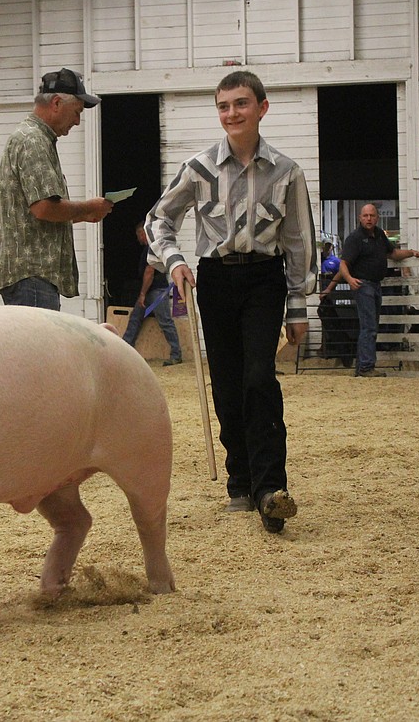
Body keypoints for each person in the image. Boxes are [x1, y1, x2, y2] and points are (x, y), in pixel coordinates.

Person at [145, 70, 317, 534]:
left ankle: (270, 489)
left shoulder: (288, 172)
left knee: (258, 377)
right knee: (225, 384)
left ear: (262, 108)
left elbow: (299, 241)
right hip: (215, 280)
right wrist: (175, 260)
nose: (232, 114)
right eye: (223, 106)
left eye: (241, 104)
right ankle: (240, 480)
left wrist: (299, 307)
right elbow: (158, 220)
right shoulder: (198, 168)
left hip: (265, 278)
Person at [0, 68, 113, 309]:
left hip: (29, 274)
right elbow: (44, 208)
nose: (77, 121)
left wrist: (83, 214)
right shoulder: (33, 140)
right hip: (32, 274)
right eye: (76, 112)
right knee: (39, 347)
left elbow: (32, 215)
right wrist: (88, 206)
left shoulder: (31, 138)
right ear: (56, 103)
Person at [333, 204, 419, 377]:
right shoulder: (355, 238)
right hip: (363, 284)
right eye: (365, 215)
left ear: (377, 217)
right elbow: (344, 263)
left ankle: (362, 366)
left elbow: (393, 253)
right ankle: (366, 367)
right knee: (369, 326)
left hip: (374, 284)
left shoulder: (380, 235)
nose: (368, 219)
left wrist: (411, 252)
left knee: (369, 325)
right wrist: (350, 279)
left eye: (372, 215)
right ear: (360, 218)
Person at [121, 222, 182, 366]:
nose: (138, 238)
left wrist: (142, 294)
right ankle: (124, 349)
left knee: (164, 321)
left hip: (156, 291)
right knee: (136, 317)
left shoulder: (152, 248)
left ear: (144, 233)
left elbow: (149, 272)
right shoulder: (150, 248)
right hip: (151, 291)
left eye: (138, 235)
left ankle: (176, 354)